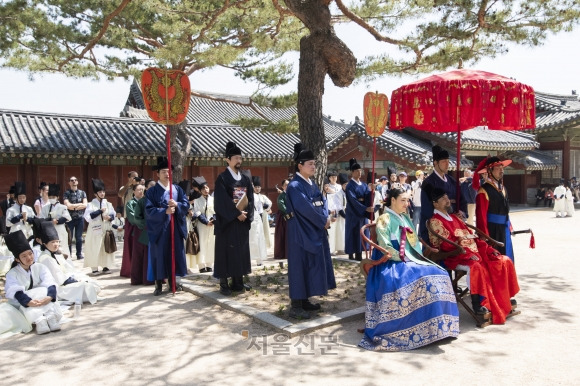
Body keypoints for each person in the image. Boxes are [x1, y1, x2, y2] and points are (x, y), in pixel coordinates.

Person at [359, 187, 459, 351]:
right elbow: (385, 245)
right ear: (393, 201)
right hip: (390, 261)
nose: (407, 204)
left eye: (408, 200)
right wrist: (402, 257)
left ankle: (439, 327)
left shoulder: (405, 218)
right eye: (403, 200)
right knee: (424, 277)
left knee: (440, 272)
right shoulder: (385, 218)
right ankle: (413, 328)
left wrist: (417, 257)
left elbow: (414, 244)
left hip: (408, 258)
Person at [427, 185, 520, 325]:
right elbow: (446, 245)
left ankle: (505, 296)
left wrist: (483, 247)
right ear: (435, 203)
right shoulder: (435, 221)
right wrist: (466, 247)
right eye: (444, 198)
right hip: (455, 255)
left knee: (504, 260)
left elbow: (471, 236)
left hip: (472, 251)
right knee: (476, 266)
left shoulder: (454, 217)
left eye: (447, 197)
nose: (448, 200)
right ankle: (479, 304)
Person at [285, 143, 336, 319]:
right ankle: (296, 305)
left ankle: (305, 299)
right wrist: (323, 221)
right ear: (300, 165)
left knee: (310, 265)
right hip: (300, 231)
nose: (314, 167)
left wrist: (326, 217)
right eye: (310, 164)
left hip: (314, 228)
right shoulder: (294, 186)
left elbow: (322, 201)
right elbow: (305, 208)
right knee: (300, 265)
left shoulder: (311, 184)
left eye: (314, 163)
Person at [213, 141, 254, 296]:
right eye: (235, 158)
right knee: (225, 251)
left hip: (241, 222)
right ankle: (224, 283)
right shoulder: (222, 179)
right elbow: (221, 201)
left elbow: (250, 198)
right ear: (228, 160)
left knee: (240, 251)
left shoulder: (245, 178)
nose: (239, 161)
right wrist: (236, 214)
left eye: (240, 158)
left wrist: (246, 214)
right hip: (228, 222)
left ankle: (238, 282)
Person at [4, 230, 63, 335]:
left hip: (43, 300)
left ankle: (50, 317)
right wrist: (28, 302)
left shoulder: (40, 267)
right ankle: (40, 320)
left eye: (30, 254)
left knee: (44, 290)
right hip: (24, 304)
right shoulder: (12, 274)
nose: (29, 258)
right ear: (17, 259)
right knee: (35, 292)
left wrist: (49, 297)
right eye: (24, 256)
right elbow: (15, 291)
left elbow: (50, 282)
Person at [145, 157, 189, 296]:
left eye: (169, 171)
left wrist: (177, 205)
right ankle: (158, 284)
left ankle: (173, 282)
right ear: (157, 174)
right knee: (159, 255)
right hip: (159, 229)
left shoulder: (177, 189)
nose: (167, 174)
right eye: (164, 171)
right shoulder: (152, 192)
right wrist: (164, 211)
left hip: (175, 228)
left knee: (174, 255)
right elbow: (149, 210)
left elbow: (186, 204)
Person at [37, 221, 102, 304]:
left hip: (65, 280)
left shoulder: (55, 254)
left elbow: (68, 269)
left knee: (92, 282)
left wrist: (77, 277)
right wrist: (76, 281)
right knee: (87, 286)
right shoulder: (45, 258)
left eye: (57, 241)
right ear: (45, 244)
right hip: (59, 288)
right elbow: (58, 279)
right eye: (52, 242)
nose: (56, 244)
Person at [475, 157, 515, 261]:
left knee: (506, 256)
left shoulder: (503, 188)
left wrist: (509, 225)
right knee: (495, 259)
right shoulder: (484, 190)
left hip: (504, 228)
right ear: (489, 171)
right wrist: (484, 235)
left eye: (502, 167)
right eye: (498, 167)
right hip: (492, 230)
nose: (501, 169)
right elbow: (481, 215)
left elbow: (505, 210)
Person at [420, 145, 457, 244]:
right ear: (435, 163)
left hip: (452, 221)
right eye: (444, 162)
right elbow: (427, 208)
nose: (447, 164)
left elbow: (461, 199)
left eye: (448, 162)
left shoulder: (453, 181)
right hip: (436, 223)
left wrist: (461, 212)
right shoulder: (428, 183)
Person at [83, 178, 116, 274]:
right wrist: (99, 211)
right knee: (95, 247)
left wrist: (109, 217)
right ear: (95, 194)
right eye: (100, 192)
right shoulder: (91, 204)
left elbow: (113, 214)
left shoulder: (108, 204)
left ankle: (105, 266)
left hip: (106, 228)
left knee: (105, 246)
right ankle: (94, 267)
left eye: (103, 191)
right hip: (95, 229)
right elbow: (88, 217)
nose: (102, 193)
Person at [344, 158, 372, 261]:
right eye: (357, 171)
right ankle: (355, 253)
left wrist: (371, 191)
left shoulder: (364, 184)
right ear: (352, 172)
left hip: (362, 211)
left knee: (363, 231)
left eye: (360, 171)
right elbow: (352, 200)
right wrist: (365, 208)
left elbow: (367, 195)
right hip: (354, 211)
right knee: (354, 232)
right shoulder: (350, 186)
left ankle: (361, 251)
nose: (359, 173)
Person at [39, 183, 71, 259]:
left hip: (60, 229)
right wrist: (50, 220)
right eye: (50, 197)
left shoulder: (63, 207)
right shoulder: (45, 208)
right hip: (50, 230)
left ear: (57, 197)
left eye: (53, 197)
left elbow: (67, 217)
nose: (51, 199)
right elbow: (41, 219)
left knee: (63, 246)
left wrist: (58, 221)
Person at [129, 184, 152, 285]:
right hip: (142, 231)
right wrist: (146, 226)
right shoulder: (141, 202)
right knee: (141, 255)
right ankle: (140, 278)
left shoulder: (157, 200)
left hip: (155, 231)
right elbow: (136, 218)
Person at [193, 177, 216, 273]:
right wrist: (206, 222)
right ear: (199, 190)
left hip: (212, 225)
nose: (206, 190)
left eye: (207, 188)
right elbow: (198, 213)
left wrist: (213, 220)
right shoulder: (197, 201)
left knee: (211, 243)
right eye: (203, 188)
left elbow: (217, 211)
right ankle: (201, 266)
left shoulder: (214, 199)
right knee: (201, 244)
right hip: (202, 226)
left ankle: (210, 264)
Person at [119, 172, 140, 278]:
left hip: (139, 218)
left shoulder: (139, 187)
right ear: (128, 177)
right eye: (132, 177)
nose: (134, 178)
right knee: (128, 243)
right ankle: (127, 269)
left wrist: (139, 184)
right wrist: (128, 184)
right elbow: (120, 194)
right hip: (128, 218)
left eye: (136, 177)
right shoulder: (125, 188)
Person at [63, 176, 88, 260]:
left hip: (80, 218)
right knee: (69, 237)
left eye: (75, 180)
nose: (74, 181)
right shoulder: (66, 193)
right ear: (69, 183)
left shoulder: (82, 193)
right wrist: (78, 205)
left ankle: (79, 254)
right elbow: (67, 205)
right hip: (70, 219)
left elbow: (85, 205)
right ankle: (69, 254)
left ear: (77, 182)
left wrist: (73, 206)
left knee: (79, 237)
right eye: (72, 180)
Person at [249, 176, 268, 266]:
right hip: (250, 218)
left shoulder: (261, 196)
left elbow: (267, 205)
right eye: (255, 186)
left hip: (258, 217)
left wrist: (266, 206)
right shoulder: (249, 195)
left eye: (258, 187)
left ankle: (259, 260)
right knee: (251, 239)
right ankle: (249, 258)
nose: (257, 188)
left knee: (259, 237)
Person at [326, 171, 346, 255]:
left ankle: (341, 248)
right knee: (332, 231)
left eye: (335, 177)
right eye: (332, 177)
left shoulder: (340, 187)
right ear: (329, 178)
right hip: (332, 211)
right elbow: (331, 201)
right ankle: (331, 249)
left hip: (342, 211)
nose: (334, 178)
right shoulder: (327, 187)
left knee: (341, 230)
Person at [274, 178, 290, 265]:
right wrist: (289, 212)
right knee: (283, 234)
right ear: (283, 186)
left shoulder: (293, 194)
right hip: (284, 217)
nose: (287, 186)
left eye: (289, 185)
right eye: (286, 185)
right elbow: (281, 205)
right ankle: (282, 253)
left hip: (292, 216)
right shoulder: (281, 196)